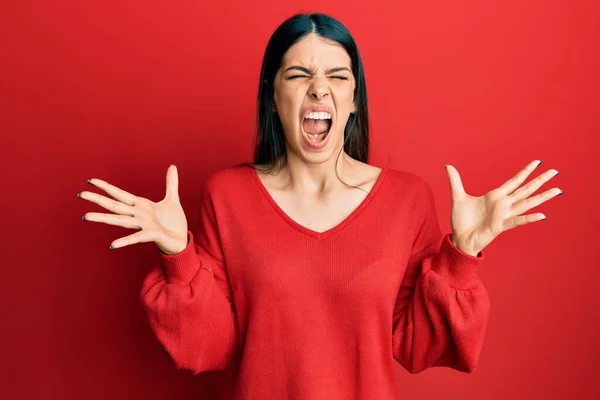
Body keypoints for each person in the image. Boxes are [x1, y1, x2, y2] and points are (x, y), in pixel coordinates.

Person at [78, 12, 562, 400]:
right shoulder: (226, 196)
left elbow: (418, 345)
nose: (318, 87)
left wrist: (462, 254)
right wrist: (178, 253)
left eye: (337, 74)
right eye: (298, 74)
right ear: (274, 97)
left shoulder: (407, 200)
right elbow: (213, 347)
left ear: (353, 100)